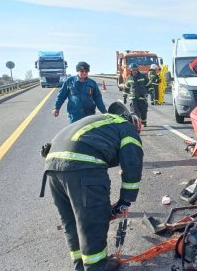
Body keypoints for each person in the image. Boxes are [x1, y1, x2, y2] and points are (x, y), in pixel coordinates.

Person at [40, 102, 143, 271]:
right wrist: (125, 201)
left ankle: (80, 265)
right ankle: (97, 267)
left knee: (71, 221)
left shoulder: (100, 121)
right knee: (93, 222)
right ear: (134, 123)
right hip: (82, 166)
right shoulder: (127, 128)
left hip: (52, 166)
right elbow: (132, 165)